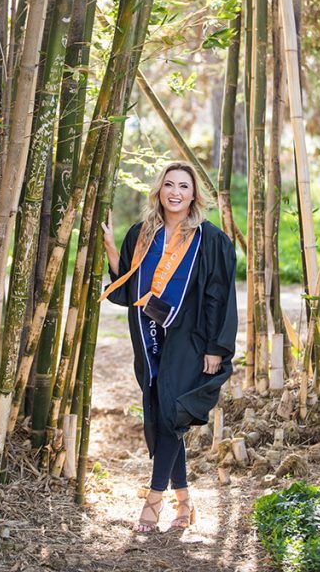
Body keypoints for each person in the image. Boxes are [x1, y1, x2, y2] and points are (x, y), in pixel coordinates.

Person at [101, 161, 238, 533]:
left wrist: (216, 348)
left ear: (194, 195)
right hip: (148, 334)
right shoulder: (142, 233)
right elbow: (129, 288)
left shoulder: (210, 240)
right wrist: (113, 248)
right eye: (169, 185)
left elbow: (219, 298)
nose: (175, 192)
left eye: (183, 186)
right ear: (159, 190)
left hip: (190, 338)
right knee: (163, 412)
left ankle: (153, 499)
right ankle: (184, 501)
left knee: (172, 412)